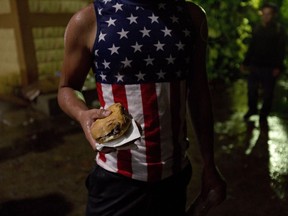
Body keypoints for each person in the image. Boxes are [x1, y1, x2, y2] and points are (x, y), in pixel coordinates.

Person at [57, 0, 226, 215]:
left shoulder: (191, 16)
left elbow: (200, 92)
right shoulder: (89, 19)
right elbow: (67, 87)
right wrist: (82, 114)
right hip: (115, 181)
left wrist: (209, 165)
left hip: (173, 179)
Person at [241, 2, 286, 122]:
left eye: (269, 14)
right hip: (255, 65)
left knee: (268, 93)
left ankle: (264, 115)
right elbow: (252, 46)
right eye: (264, 13)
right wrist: (245, 63)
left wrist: (278, 67)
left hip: (270, 67)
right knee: (251, 90)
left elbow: (281, 49)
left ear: (273, 15)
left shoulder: (278, 29)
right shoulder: (257, 28)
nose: (266, 16)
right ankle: (252, 109)